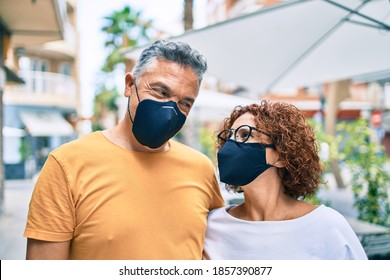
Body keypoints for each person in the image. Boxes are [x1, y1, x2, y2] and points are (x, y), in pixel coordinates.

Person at [24, 40, 224, 260]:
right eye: (160, 91)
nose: (170, 110)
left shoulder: (201, 169)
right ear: (130, 85)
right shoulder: (66, 164)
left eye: (185, 103)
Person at [203, 100, 368, 260]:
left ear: (281, 156)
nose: (230, 145)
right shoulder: (212, 225)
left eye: (245, 135)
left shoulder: (327, 225)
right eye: (228, 137)